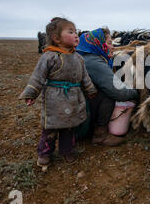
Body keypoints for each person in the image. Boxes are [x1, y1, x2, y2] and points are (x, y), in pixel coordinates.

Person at [19, 17, 97, 166]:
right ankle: (44, 153)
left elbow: (84, 77)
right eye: (71, 31)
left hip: (73, 97)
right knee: (51, 128)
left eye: (76, 31)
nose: (76, 34)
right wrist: (31, 93)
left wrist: (90, 90)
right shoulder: (49, 57)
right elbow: (38, 76)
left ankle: (67, 151)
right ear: (56, 38)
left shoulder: (79, 58)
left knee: (69, 127)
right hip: (54, 98)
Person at [76, 27, 138, 146]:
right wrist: (137, 93)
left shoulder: (84, 57)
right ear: (98, 43)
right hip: (78, 122)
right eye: (109, 43)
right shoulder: (94, 62)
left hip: (72, 114)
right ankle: (100, 135)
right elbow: (118, 92)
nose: (113, 46)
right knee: (108, 94)